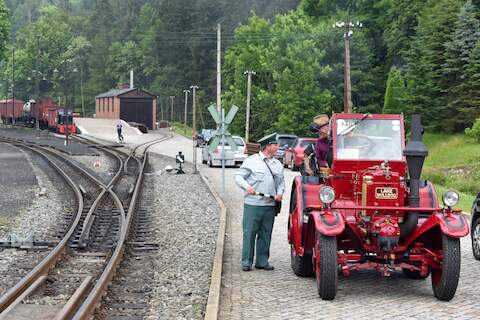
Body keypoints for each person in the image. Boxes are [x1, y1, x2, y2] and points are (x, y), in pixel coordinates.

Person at [235, 133, 285, 272]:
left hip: (269, 205)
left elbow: (281, 183)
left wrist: (280, 193)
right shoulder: (252, 161)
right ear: (268, 146)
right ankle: (246, 261)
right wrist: (247, 187)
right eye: (276, 144)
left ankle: (262, 261)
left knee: (265, 234)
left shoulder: (278, 164)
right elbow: (239, 177)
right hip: (253, 204)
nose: (278, 146)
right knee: (249, 233)